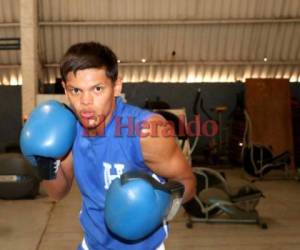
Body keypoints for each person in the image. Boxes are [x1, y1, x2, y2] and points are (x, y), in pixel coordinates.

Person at [22, 42, 196, 250]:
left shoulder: (146, 130)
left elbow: (188, 182)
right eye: (76, 90)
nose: (85, 102)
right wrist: (45, 161)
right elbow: (58, 193)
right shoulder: (68, 128)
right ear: (65, 90)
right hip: (92, 245)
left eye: (97, 89)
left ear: (117, 86)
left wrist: (160, 203)